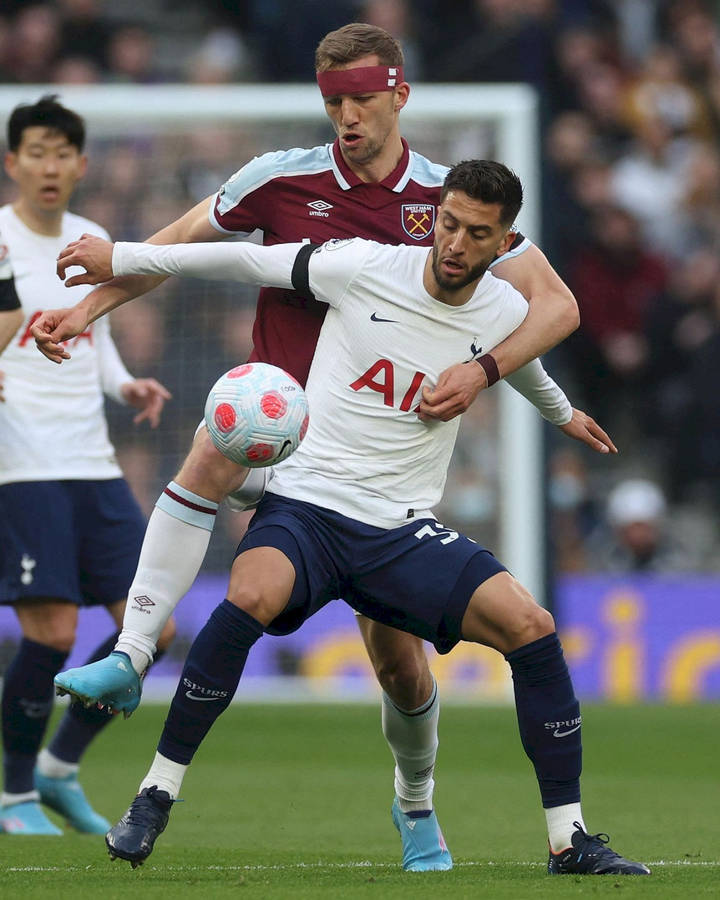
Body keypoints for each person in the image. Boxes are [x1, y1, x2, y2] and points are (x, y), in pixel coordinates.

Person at [32, 24, 579, 870]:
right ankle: (136, 653)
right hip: (278, 421)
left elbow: (541, 307)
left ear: (400, 96)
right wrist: (89, 307)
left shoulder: (449, 204)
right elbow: (180, 251)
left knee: (398, 667)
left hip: (378, 457)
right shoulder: (281, 178)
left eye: (363, 99)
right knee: (215, 447)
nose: (348, 116)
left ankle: (416, 805)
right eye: (333, 102)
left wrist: (503, 382)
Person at [0, 95, 175, 835]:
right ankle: (12, 796)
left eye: (62, 152)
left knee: (155, 626)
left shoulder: (90, 238)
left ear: (80, 164)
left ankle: (58, 766)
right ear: (13, 162)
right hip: (21, 459)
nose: (49, 165)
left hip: (91, 459)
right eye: (35, 151)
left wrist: (123, 381)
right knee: (51, 631)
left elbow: (92, 334)